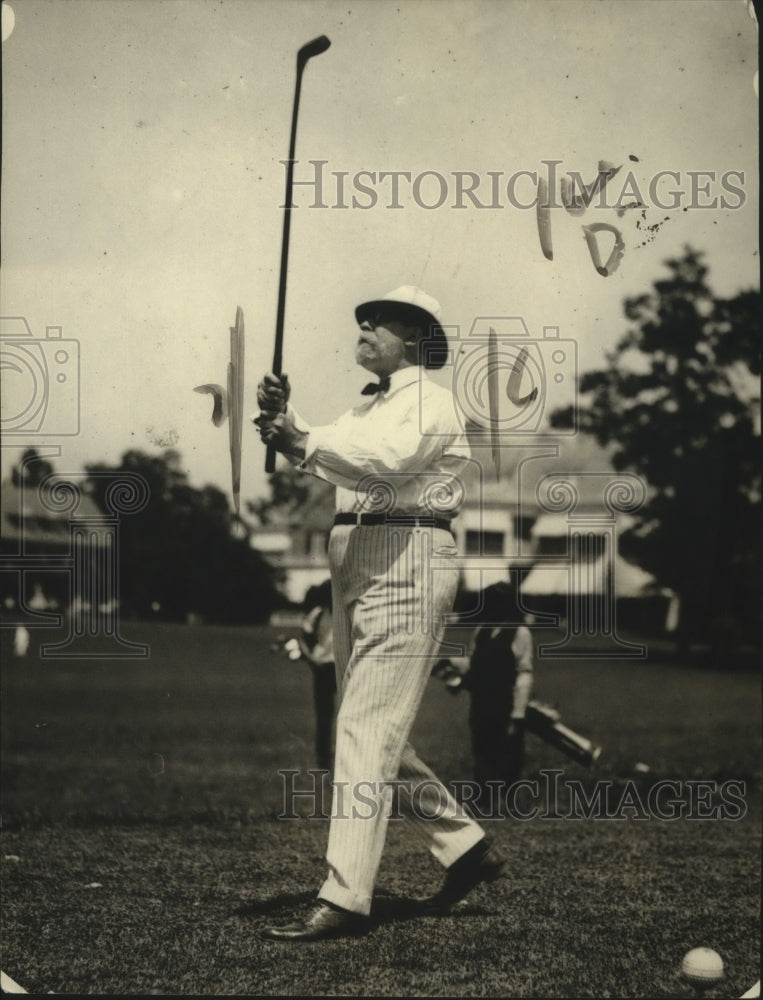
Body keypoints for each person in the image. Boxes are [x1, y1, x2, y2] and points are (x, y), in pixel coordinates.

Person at [254, 285, 506, 941]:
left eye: (379, 321)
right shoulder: (368, 406)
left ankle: (344, 897)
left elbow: (385, 463)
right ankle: (465, 847)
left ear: (416, 338)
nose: (363, 326)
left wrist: (299, 437)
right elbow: (332, 451)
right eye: (362, 319)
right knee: (370, 728)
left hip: (408, 556)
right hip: (358, 559)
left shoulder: (433, 401)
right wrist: (285, 420)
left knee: (364, 728)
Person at [461, 581, 534, 811]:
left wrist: (518, 711)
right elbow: (471, 663)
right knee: (482, 750)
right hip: (481, 703)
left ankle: (509, 801)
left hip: (506, 703)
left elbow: (524, 672)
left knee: (508, 751)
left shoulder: (520, 633)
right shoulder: (481, 631)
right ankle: (484, 799)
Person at [297, 579, 336, 774]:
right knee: (324, 716)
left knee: (349, 715)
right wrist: (312, 658)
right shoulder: (318, 614)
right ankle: (323, 759)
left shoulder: (348, 612)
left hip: (344, 667)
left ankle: (345, 757)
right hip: (323, 667)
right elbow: (303, 639)